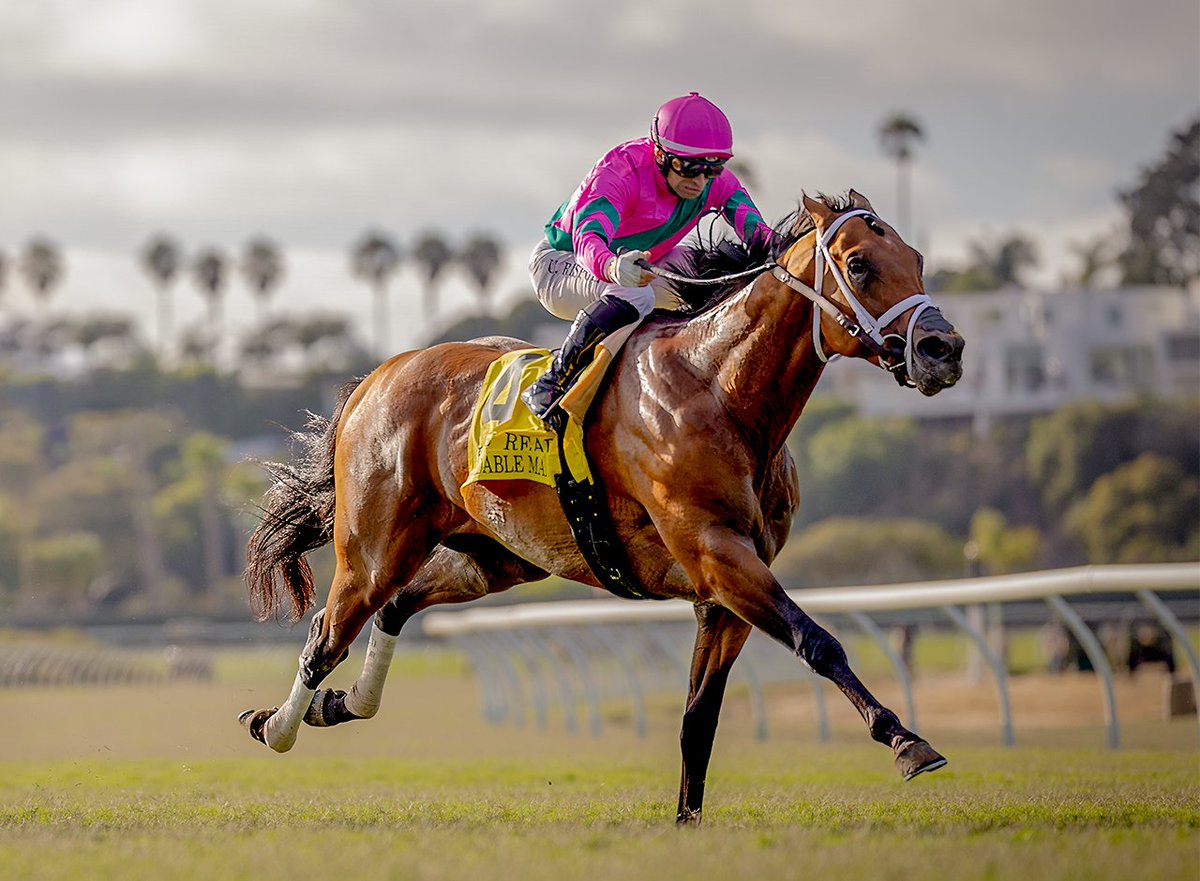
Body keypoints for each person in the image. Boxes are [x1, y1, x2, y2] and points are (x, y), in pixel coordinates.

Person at [521, 91, 776, 420]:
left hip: (639, 263)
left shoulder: (717, 183)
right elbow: (588, 238)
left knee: (710, 273)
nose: (699, 181)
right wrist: (612, 266)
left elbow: (762, 238)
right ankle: (554, 381)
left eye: (711, 169)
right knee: (634, 291)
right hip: (562, 262)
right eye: (689, 167)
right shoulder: (620, 172)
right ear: (659, 153)